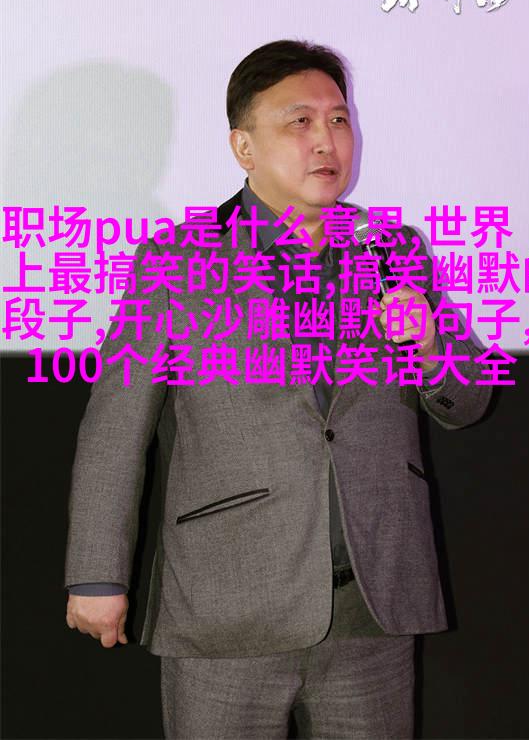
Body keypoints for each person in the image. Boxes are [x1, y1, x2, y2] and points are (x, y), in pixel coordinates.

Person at [65, 39, 492, 739]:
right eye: (300, 122)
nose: (326, 140)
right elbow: (116, 428)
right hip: (229, 610)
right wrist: (96, 575)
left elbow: (467, 402)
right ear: (244, 147)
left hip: (373, 611)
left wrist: (429, 344)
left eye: (339, 119)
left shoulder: (394, 250)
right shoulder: (177, 260)